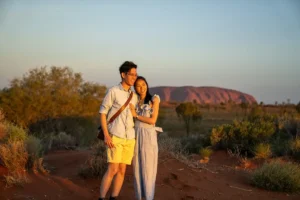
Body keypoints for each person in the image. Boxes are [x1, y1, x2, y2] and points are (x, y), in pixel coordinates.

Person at [98, 61, 138, 200]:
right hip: (115, 136)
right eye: (131, 74)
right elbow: (103, 113)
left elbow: (134, 116)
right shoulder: (113, 91)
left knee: (122, 170)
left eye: (135, 74)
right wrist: (107, 136)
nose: (134, 77)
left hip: (130, 138)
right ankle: (102, 198)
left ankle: (113, 197)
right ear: (123, 74)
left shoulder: (134, 96)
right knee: (113, 169)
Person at [129, 76, 163, 200]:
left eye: (143, 84)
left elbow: (153, 120)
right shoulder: (135, 101)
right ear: (135, 88)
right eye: (138, 85)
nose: (141, 87)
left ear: (147, 85)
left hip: (148, 136)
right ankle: (139, 197)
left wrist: (136, 115)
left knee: (148, 169)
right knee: (137, 169)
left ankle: (149, 197)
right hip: (136, 135)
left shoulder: (154, 99)